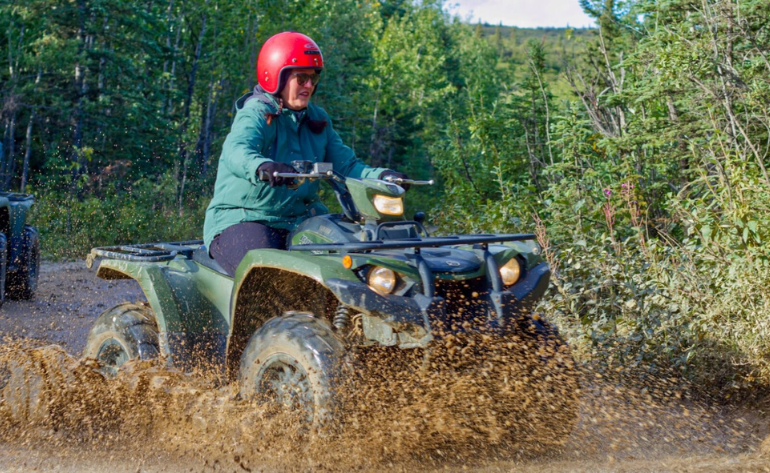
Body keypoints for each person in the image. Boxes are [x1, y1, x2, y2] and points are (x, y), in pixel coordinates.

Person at [203, 31, 409, 276]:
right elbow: (236, 151)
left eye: (313, 79)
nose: (309, 86)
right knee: (268, 276)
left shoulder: (317, 119)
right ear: (276, 78)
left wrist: (383, 177)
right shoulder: (257, 113)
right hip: (245, 219)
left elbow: (348, 167)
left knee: (355, 262)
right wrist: (262, 166)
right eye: (301, 79)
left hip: (301, 220)